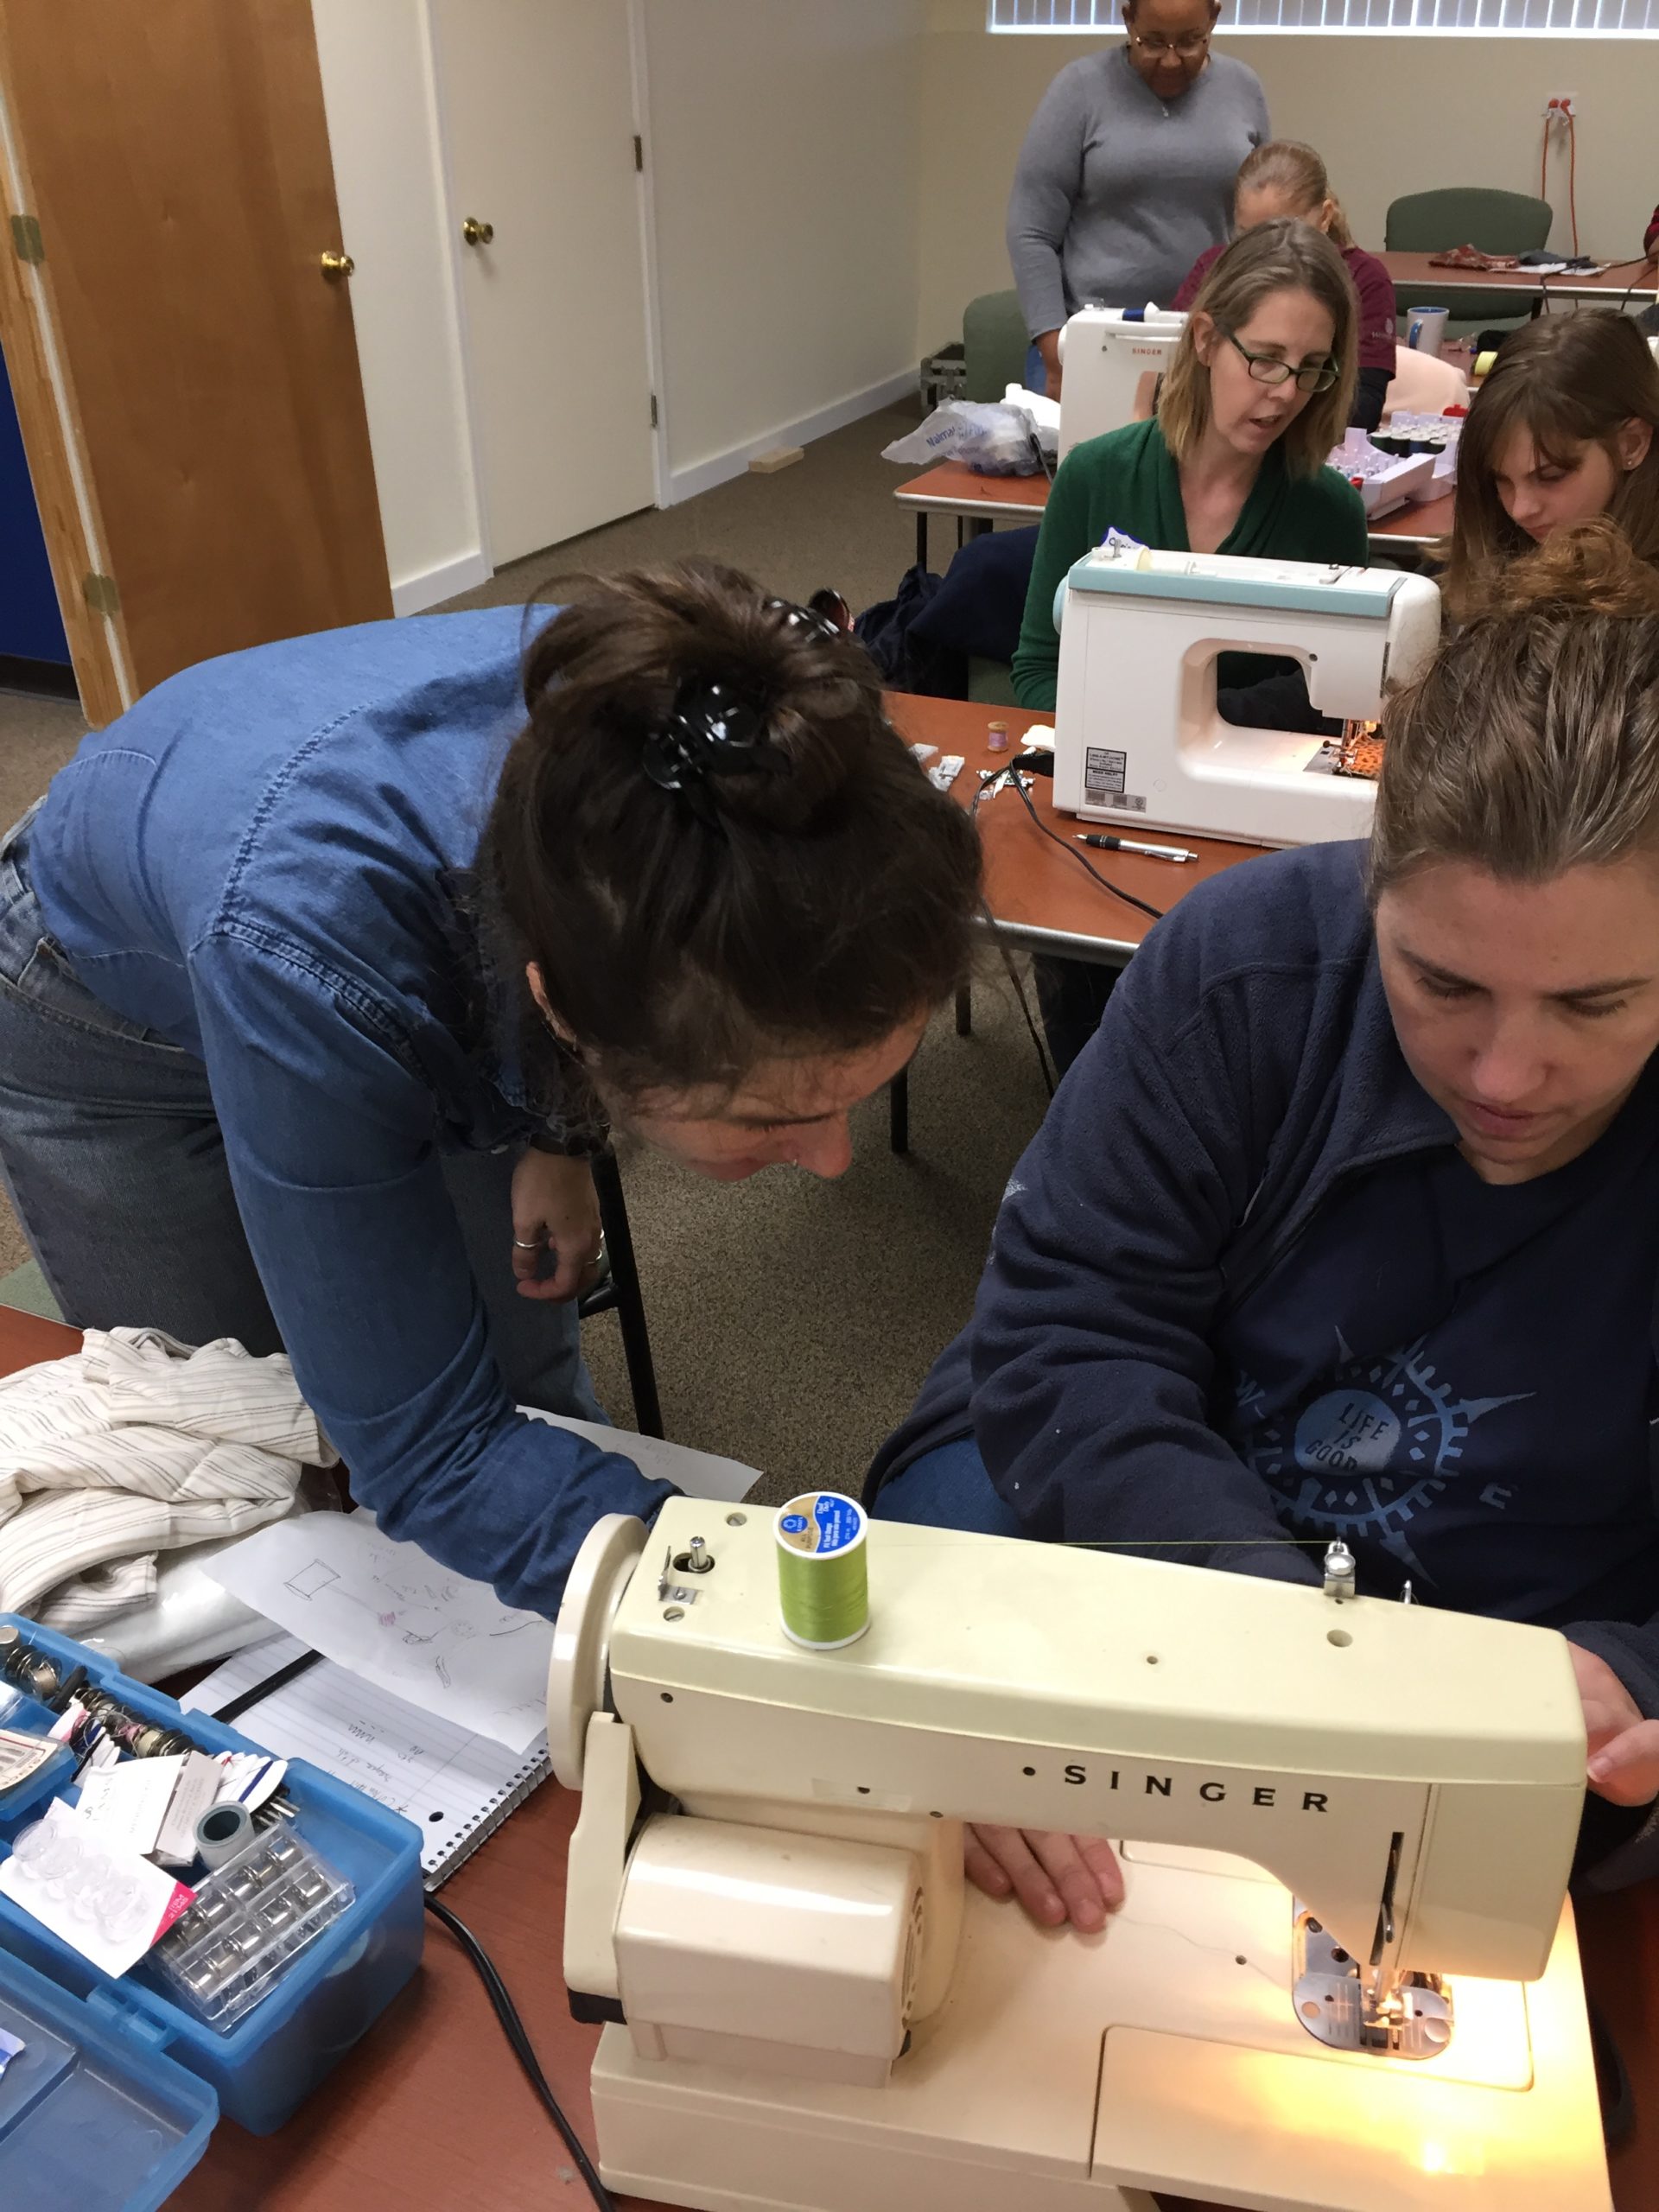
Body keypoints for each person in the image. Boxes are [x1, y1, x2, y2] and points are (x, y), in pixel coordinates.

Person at [869, 521, 1659, 1932]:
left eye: (1594, 1007)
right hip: (1188, 1570)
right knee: (919, 1623)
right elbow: (1064, 1337)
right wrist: (1301, 1651)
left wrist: (1631, 1683)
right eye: (1441, 984)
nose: (1501, 1078)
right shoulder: (1242, 970)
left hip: (1517, 1670)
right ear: (1372, 881)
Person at [0, 563, 982, 1616]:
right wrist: (748, 1614)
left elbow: (491, 1431)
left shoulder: (711, 741)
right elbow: (434, 1450)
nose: (835, 1158)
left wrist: (555, 1138)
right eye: (770, 1115)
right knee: (242, 1452)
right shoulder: (312, 940)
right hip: (114, 1026)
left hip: (392, 946)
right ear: (568, 1014)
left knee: (528, 1392)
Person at [1013, 219, 1369, 1073]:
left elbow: (1354, 721)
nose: (1286, 393)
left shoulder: (1328, 512)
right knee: (1097, 1005)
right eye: (1267, 358)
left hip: (1255, 824)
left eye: (1313, 369)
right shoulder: (1096, 475)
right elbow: (1032, 673)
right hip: (1112, 810)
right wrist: (1146, 743)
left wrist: (1192, 734)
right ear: (1206, 339)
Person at [1007, 0, 1268, 402]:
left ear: (1214, 18)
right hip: (1094, 339)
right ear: (1128, 18)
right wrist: (1054, 349)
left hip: (1208, 339)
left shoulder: (1243, 88)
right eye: (1152, 42)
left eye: (1189, 43)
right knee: (1081, 464)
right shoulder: (1078, 89)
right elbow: (1032, 231)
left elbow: (1264, 225)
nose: (1170, 60)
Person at [1440, 311, 1659, 619]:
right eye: (1499, 479)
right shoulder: (1484, 554)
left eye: (1551, 476)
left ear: (1632, 444)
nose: (1520, 510)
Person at [1173, 141, 1396, 432]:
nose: (1264, 252)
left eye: (1282, 230)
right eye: (1247, 235)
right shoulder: (1213, 268)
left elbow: (1362, 408)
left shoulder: (1364, 279)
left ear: (1325, 216)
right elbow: (1174, 375)